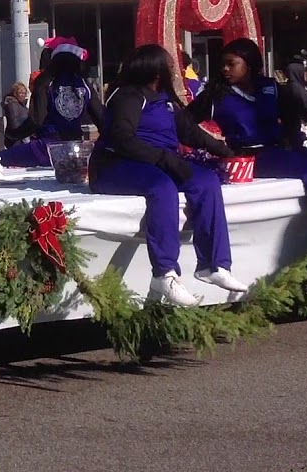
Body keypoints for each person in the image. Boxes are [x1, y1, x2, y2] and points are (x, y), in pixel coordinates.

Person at [190, 38, 307, 278]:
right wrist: (216, 147)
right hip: (252, 157)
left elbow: (290, 115)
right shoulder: (215, 95)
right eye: (223, 64)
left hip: (282, 148)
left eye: (231, 64)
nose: (224, 69)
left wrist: (293, 138)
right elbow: (185, 123)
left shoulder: (270, 86)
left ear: (249, 64)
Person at [89, 44, 246, 306]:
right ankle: (164, 273)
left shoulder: (165, 101)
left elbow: (190, 133)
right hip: (115, 165)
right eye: (170, 65)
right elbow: (121, 139)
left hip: (157, 162)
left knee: (206, 181)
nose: (174, 70)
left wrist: (225, 150)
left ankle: (213, 265)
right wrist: (165, 160)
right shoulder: (127, 96)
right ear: (155, 69)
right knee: (162, 187)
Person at [0, 43, 103, 167]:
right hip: (75, 148)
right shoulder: (85, 86)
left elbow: (36, 121)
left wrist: (12, 135)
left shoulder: (45, 83)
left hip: (46, 148)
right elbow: (101, 118)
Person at [0, 81, 38, 148]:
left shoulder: (22, 105)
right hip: (16, 140)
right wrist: (25, 133)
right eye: (20, 93)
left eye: (24, 93)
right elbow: (14, 123)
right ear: (15, 93)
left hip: (22, 137)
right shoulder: (12, 105)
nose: (22, 95)